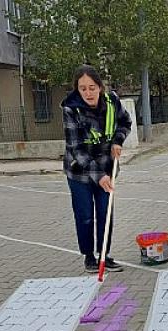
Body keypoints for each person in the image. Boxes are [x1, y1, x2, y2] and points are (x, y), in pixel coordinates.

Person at [61, 65, 132, 273]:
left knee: (105, 213)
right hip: (79, 173)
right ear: (77, 89)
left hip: (107, 168)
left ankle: (104, 255)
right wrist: (98, 176)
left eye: (92, 87)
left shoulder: (112, 102)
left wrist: (118, 141)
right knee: (84, 215)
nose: (88, 93)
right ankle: (89, 257)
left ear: (100, 87)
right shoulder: (70, 109)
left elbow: (125, 122)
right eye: (82, 89)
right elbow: (76, 149)